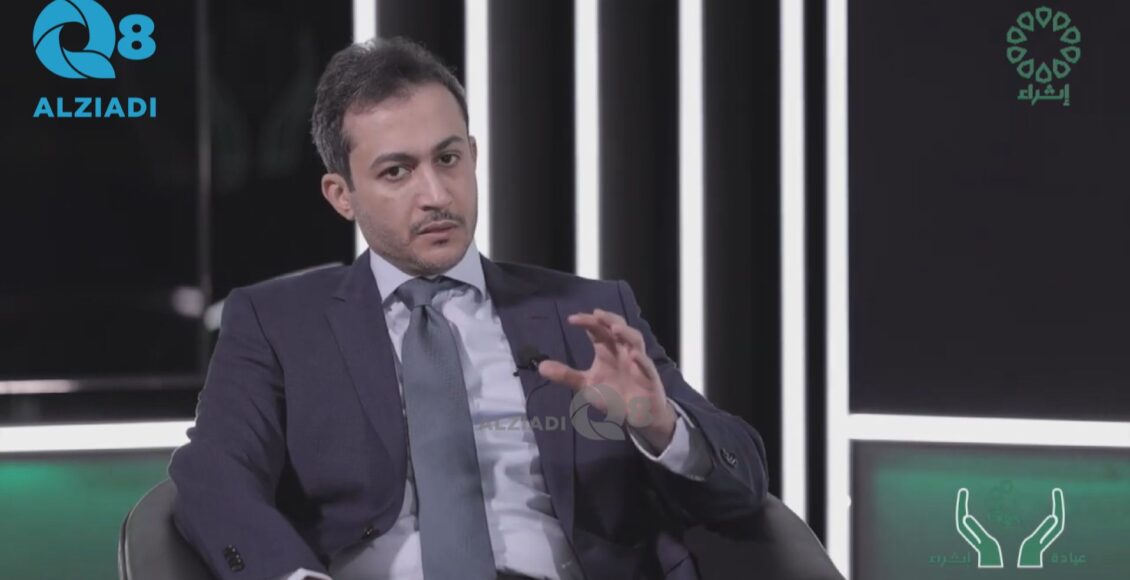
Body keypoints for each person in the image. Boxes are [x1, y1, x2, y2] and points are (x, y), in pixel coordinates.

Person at [168, 37, 768, 580]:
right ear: (342, 195)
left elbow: (743, 482)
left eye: (448, 159)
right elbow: (214, 475)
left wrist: (659, 423)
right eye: (397, 171)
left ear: (473, 157)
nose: (435, 195)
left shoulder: (588, 311)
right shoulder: (277, 322)